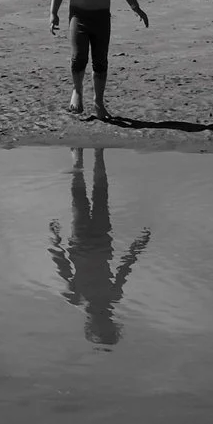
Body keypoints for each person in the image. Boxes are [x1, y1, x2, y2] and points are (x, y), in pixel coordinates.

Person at [46, 148, 151, 348]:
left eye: (102, 324)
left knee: (86, 196)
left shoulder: (77, 297)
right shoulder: (107, 296)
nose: (105, 319)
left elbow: (63, 266)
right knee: (98, 195)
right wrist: (137, 247)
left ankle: (82, 158)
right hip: (100, 240)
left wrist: (55, 239)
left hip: (84, 240)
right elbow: (124, 268)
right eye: (107, 324)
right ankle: (96, 154)